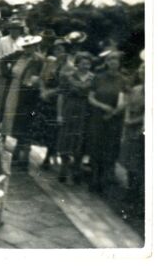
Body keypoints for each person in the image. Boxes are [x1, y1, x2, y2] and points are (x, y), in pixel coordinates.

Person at [0, 35, 44, 168]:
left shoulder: (38, 60)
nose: (28, 49)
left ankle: (21, 155)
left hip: (27, 94)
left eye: (31, 47)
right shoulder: (18, 55)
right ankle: (15, 151)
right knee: (10, 117)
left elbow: (41, 77)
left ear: (36, 47)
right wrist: (6, 73)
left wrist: (34, 84)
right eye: (26, 47)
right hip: (13, 88)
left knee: (24, 121)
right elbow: (2, 60)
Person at [86, 50, 125, 194]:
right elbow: (91, 97)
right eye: (110, 60)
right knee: (96, 146)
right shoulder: (98, 78)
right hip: (98, 118)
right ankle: (94, 179)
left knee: (109, 149)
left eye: (116, 60)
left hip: (114, 120)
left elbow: (124, 101)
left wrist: (113, 113)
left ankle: (104, 180)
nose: (113, 62)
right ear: (106, 63)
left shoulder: (123, 80)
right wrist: (103, 106)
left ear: (119, 63)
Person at [31, 37, 70, 170]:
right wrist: (43, 91)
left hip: (58, 101)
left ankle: (49, 156)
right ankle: (46, 154)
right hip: (46, 99)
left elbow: (64, 87)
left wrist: (50, 93)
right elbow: (42, 78)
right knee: (44, 128)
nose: (60, 52)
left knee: (54, 130)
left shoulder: (69, 67)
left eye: (63, 50)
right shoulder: (50, 62)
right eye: (58, 49)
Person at [56, 51, 95, 184]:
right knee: (66, 138)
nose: (86, 66)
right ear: (77, 64)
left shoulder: (93, 78)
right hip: (70, 109)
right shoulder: (68, 76)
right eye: (83, 63)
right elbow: (61, 96)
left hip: (85, 111)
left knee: (80, 139)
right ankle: (64, 167)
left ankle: (76, 169)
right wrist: (60, 114)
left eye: (88, 64)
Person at [119, 54, 145, 214]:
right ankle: (131, 191)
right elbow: (128, 106)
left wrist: (133, 122)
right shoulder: (136, 89)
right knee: (130, 161)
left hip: (143, 129)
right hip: (131, 128)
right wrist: (128, 119)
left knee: (141, 163)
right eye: (141, 69)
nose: (142, 71)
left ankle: (139, 196)